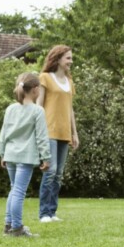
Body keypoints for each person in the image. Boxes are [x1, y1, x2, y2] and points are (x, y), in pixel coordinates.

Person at [0, 72, 50, 238]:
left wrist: (2, 153)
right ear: (35, 89)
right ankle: (17, 228)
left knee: (14, 190)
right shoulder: (37, 111)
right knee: (19, 192)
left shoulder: (11, 109)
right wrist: (46, 157)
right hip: (25, 157)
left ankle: (8, 225)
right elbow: (42, 137)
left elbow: (3, 134)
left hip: (10, 155)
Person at [37, 45, 79, 223]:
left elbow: (70, 109)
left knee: (59, 174)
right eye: (68, 58)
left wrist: (74, 133)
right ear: (58, 59)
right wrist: (37, 130)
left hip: (64, 132)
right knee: (50, 170)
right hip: (49, 130)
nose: (71, 61)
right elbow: (39, 105)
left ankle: (52, 212)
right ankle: (44, 213)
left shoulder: (70, 83)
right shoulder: (45, 78)